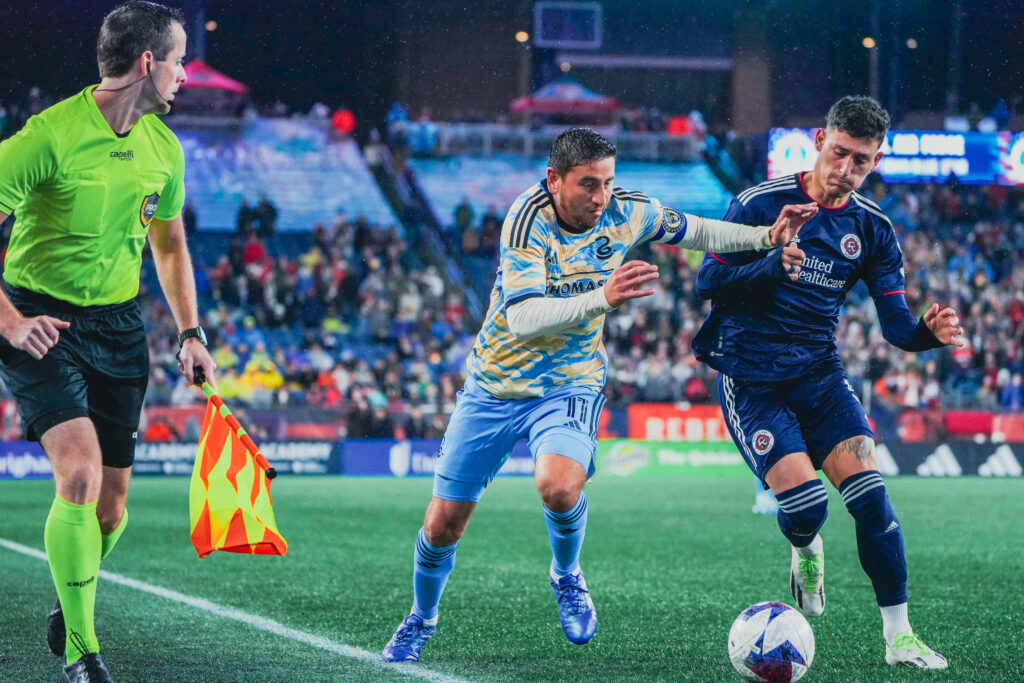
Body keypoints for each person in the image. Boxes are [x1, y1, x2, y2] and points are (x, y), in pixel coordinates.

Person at [381, 127, 817, 663]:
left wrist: (765, 237)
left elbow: (699, 230)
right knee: (442, 523)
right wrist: (603, 297)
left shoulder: (627, 210)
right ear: (554, 180)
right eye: (588, 184)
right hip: (493, 386)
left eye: (608, 182)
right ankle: (422, 617)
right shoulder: (527, 219)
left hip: (569, 381)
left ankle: (566, 575)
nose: (601, 196)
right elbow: (523, 318)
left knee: (560, 486)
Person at [692, 96, 961, 670]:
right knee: (808, 507)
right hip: (752, 378)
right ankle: (805, 546)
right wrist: (770, 260)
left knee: (872, 500)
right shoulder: (759, 203)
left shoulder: (873, 228)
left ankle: (899, 638)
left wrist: (927, 336)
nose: (846, 169)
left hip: (819, 375)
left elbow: (895, 326)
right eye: (839, 152)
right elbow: (706, 280)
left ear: (876, 160)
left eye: (861, 160)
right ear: (819, 140)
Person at [0, 3, 216, 681]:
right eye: (179, 60)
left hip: (119, 326)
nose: (185, 74)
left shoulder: (164, 148)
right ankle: (82, 652)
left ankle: (71, 596)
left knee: (113, 508)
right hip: (40, 321)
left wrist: (190, 332)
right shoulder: (48, 136)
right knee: (80, 474)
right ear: (148, 62)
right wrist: (10, 322)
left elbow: (170, 245)